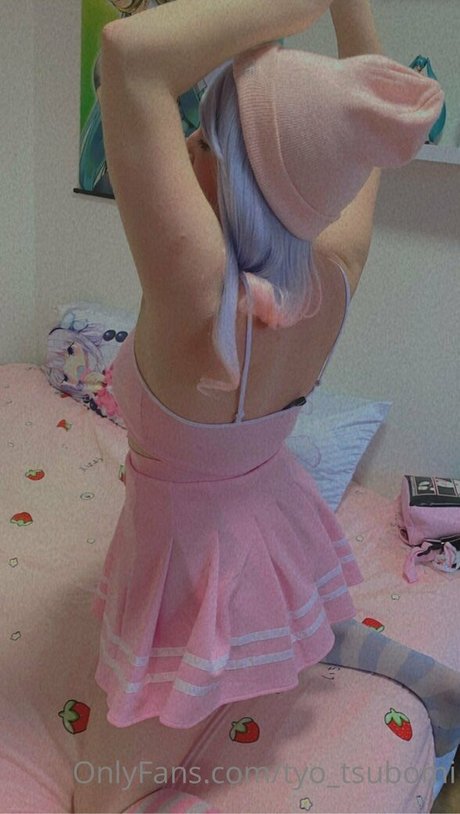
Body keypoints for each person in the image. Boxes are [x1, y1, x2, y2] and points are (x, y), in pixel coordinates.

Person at [91, 0, 459, 773]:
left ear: (234, 174)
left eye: (202, 138)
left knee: (104, 789)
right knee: (256, 649)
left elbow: (127, 53)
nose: (184, 145)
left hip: (183, 559)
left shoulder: (198, 297)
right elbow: (375, 135)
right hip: (265, 519)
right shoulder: (334, 271)